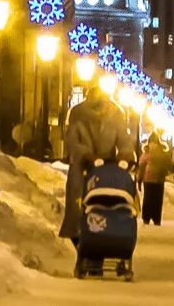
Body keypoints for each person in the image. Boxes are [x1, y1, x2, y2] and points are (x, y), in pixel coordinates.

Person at [59, 81, 137, 242]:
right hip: (82, 164)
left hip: (108, 164)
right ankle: (78, 232)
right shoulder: (78, 113)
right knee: (77, 198)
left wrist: (125, 154)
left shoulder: (116, 113)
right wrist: (86, 154)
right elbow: (72, 140)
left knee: (114, 192)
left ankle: (113, 227)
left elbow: (124, 137)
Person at [138, 130, 172, 226]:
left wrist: (139, 180)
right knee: (151, 199)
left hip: (156, 180)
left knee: (153, 200)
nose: (152, 144)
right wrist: (139, 180)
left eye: (154, 142)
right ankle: (150, 218)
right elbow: (142, 167)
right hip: (151, 180)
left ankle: (152, 218)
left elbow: (167, 165)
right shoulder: (150, 153)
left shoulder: (153, 153)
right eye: (151, 142)